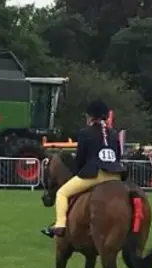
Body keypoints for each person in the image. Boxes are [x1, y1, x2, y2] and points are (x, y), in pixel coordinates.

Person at [42, 100, 128, 238]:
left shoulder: (85, 133)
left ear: (90, 117)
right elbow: (117, 157)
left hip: (95, 175)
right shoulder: (113, 133)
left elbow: (80, 159)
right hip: (115, 176)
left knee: (62, 193)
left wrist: (78, 172)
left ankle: (60, 225)